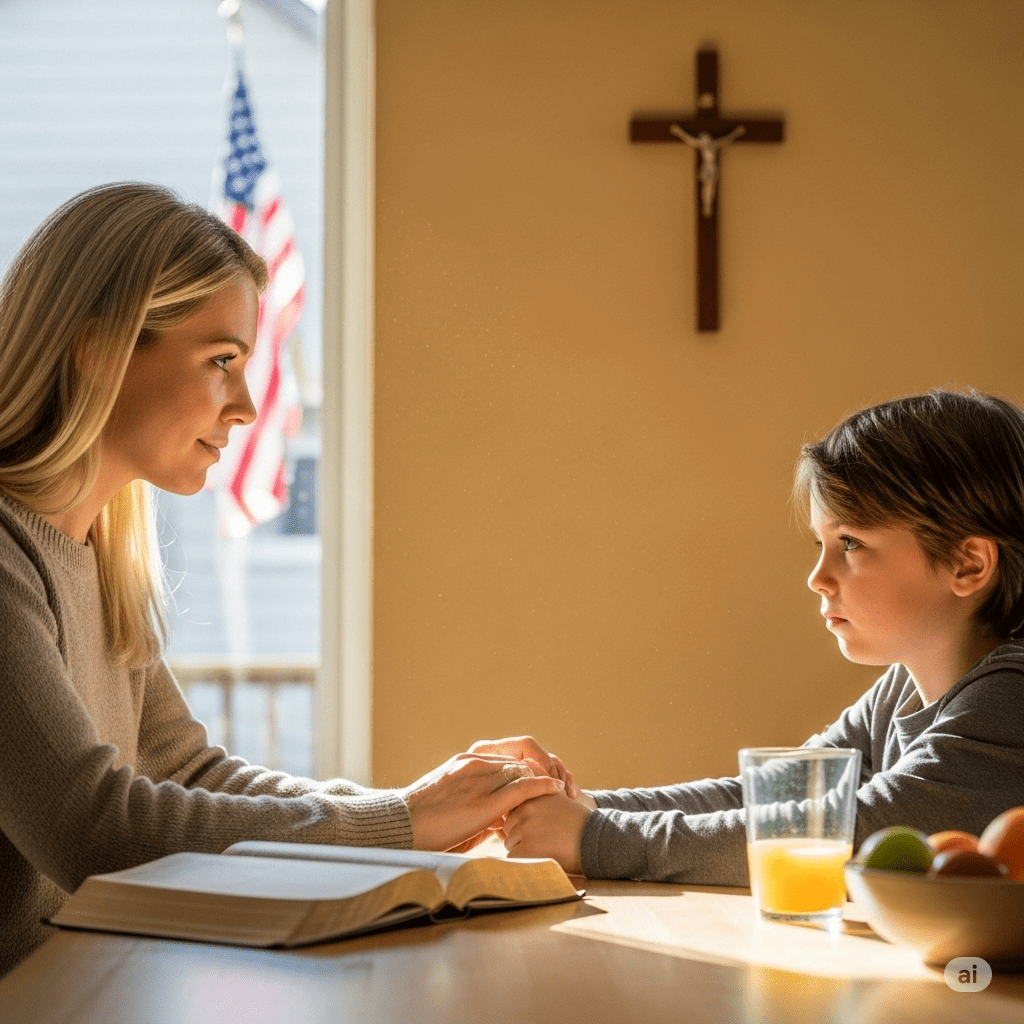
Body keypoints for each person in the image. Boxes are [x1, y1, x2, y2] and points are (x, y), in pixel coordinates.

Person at [0, 182, 566, 976]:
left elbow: (188, 772)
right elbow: (99, 831)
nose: (242, 406)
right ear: (100, 349)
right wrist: (406, 820)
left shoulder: (98, 556)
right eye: (221, 362)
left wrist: (411, 807)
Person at [497, 389, 1024, 881]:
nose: (817, 577)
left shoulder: (1011, 699)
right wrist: (591, 807)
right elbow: (772, 798)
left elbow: (853, 832)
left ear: (967, 563)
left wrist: (596, 839)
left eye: (851, 544)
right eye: (820, 544)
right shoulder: (903, 687)